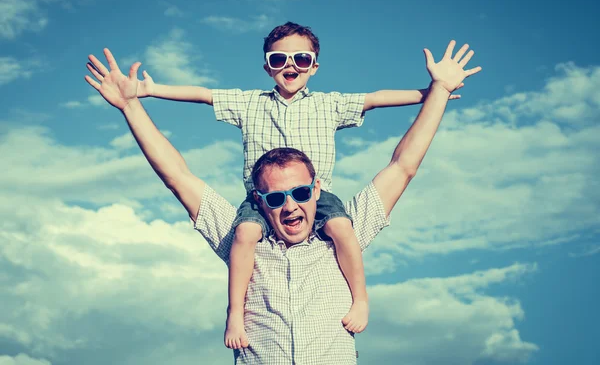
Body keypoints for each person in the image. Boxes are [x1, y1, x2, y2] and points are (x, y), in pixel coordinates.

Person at [84, 39, 481, 364]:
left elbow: (403, 166)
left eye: (302, 193)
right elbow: (177, 177)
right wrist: (132, 105)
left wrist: (438, 92)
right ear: (259, 199)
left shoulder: (343, 234)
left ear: (318, 190)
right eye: (275, 197)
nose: (290, 206)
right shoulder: (242, 237)